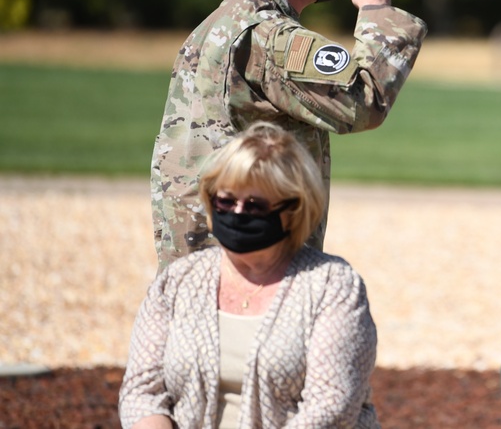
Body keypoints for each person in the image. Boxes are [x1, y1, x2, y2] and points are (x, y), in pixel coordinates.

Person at [151, 0, 427, 269]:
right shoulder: (272, 35)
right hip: (248, 260)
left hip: (209, 251)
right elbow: (363, 104)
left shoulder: (221, 19)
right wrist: (377, 12)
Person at [121, 121, 379, 427]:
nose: (238, 213)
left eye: (255, 206)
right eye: (226, 201)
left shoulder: (333, 286)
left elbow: (331, 407)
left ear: (293, 210)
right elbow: (141, 392)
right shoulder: (177, 281)